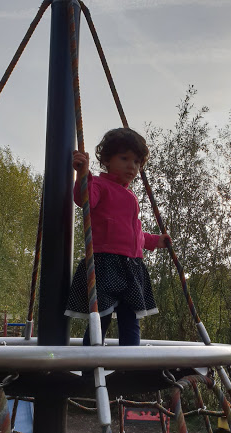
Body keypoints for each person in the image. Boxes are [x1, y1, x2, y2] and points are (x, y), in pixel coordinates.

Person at [65, 128, 170, 347]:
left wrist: (154, 241)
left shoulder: (130, 196)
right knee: (100, 318)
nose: (132, 166)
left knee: (130, 319)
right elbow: (84, 200)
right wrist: (83, 174)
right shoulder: (100, 186)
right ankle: (89, 369)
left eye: (137, 161)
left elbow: (135, 233)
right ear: (106, 160)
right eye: (124, 158)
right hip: (106, 263)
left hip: (131, 266)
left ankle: (130, 368)